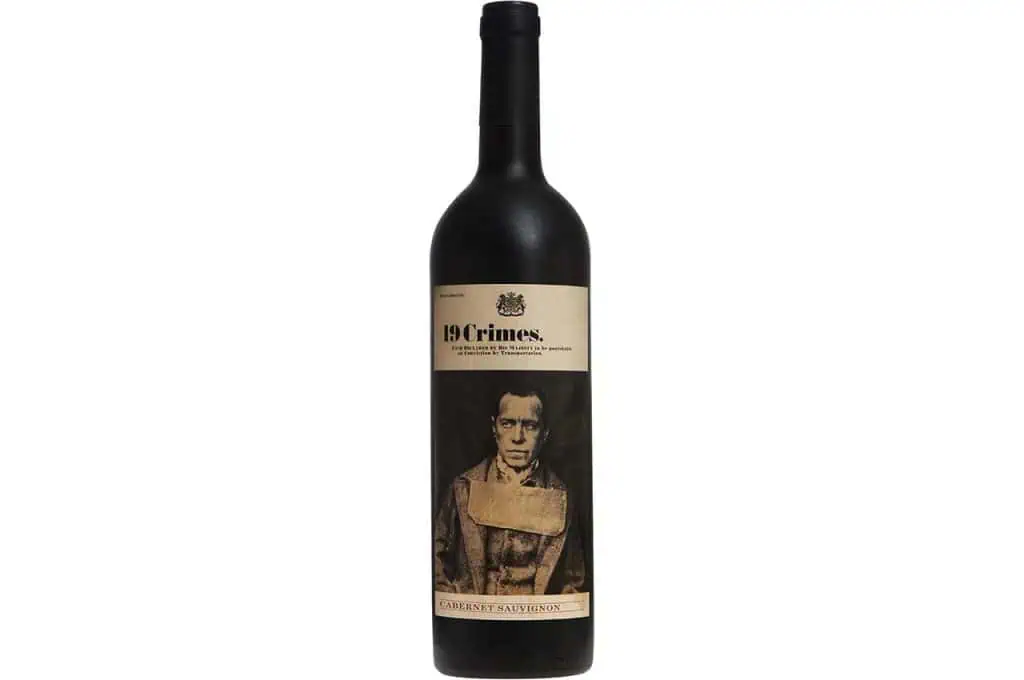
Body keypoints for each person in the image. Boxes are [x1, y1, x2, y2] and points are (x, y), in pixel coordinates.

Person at [434, 389, 585, 595]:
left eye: (530, 426)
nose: (517, 437)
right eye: (507, 424)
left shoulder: (562, 498)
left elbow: (574, 582)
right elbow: (436, 562)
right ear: (494, 428)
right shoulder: (463, 488)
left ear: (545, 433)